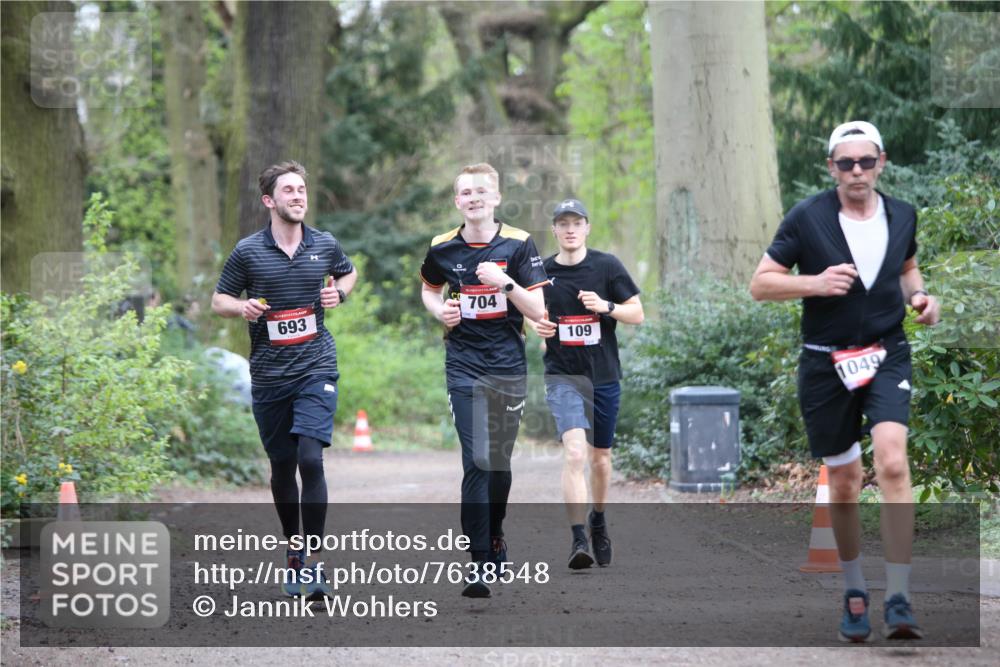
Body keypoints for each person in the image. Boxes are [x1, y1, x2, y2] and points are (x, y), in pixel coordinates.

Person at [749, 121, 940, 642]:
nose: (857, 172)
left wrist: (920, 297)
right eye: (846, 163)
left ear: (881, 161)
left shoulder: (902, 213)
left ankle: (899, 596)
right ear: (831, 167)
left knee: (894, 461)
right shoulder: (808, 217)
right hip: (824, 362)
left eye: (866, 161)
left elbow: (908, 267)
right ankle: (855, 591)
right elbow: (760, 284)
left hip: (886, 353)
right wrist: (814, 282)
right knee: (846, 481)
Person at [211, 160, 357, 599]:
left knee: (311, 460)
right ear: (269, 201)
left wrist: (341, 292)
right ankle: (293, 553)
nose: (298, 196)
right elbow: (219, 300)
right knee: (282, 467)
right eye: (288, 190)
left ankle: (315, 563)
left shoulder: (324, 244)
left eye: (301, 189)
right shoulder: (248, 251)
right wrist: (242, 309)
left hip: (316, 367)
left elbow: (347, 271)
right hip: (271, 375)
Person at [419, 163, 548, 597]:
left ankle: (495, 532)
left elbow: (539, 312)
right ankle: (477, 561)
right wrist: (442, 311)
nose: (473, 198)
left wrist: (505, 283)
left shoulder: (518, 244)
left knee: (498, 462)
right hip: (463, 362)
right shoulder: (441, 247)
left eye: (481, 192)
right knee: (476, 457)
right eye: (465, 193)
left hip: (507, 364)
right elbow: (428, 290)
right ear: (458, 202)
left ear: (495, 199)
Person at [527, 199, 643, 570]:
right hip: (563, 375)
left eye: (577, 222)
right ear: (556, 230)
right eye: (563, 223)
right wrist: (538, 327)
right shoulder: (541, 271)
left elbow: (637, 314)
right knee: (575, 453)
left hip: (604, 376)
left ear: (587, 228)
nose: (570, 229)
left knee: (601, 460)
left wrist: (606, 307)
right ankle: (578, 540)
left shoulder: (607, 265)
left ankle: (598, 518)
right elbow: (530, 315)